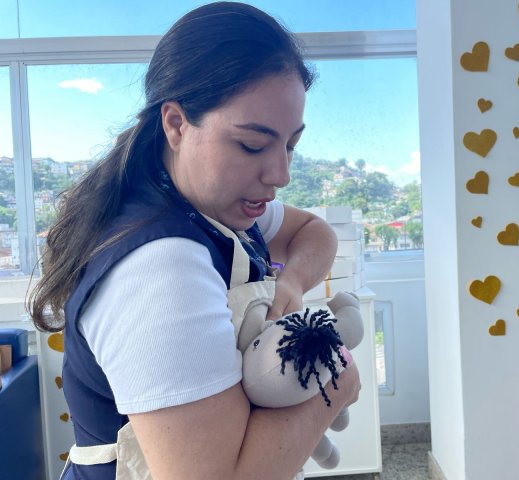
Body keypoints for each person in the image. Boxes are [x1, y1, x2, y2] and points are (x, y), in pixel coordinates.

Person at [28, 3, 361, 479]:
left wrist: (292, 283)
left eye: (290, 145)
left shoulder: (212, 208)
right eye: (252, 144)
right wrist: (338, 378)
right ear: (176, 124)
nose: (281, 174)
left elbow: (314, 232)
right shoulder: (161, 267)